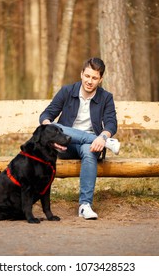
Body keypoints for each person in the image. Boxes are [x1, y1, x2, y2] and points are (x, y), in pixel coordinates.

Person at [39, 57, 120, 220]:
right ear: (81, 74)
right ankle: (99, 141)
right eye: (87, 76)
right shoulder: (67, 91)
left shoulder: (106, 97)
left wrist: (103, 136)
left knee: (88, 149)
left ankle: (85, 206)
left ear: (100, 79)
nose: (90, 81)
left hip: (92, 146)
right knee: (59, 128)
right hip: (64, 145)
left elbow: (111, 123)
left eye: (94, 78)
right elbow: (46, 114)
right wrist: (49, 127)